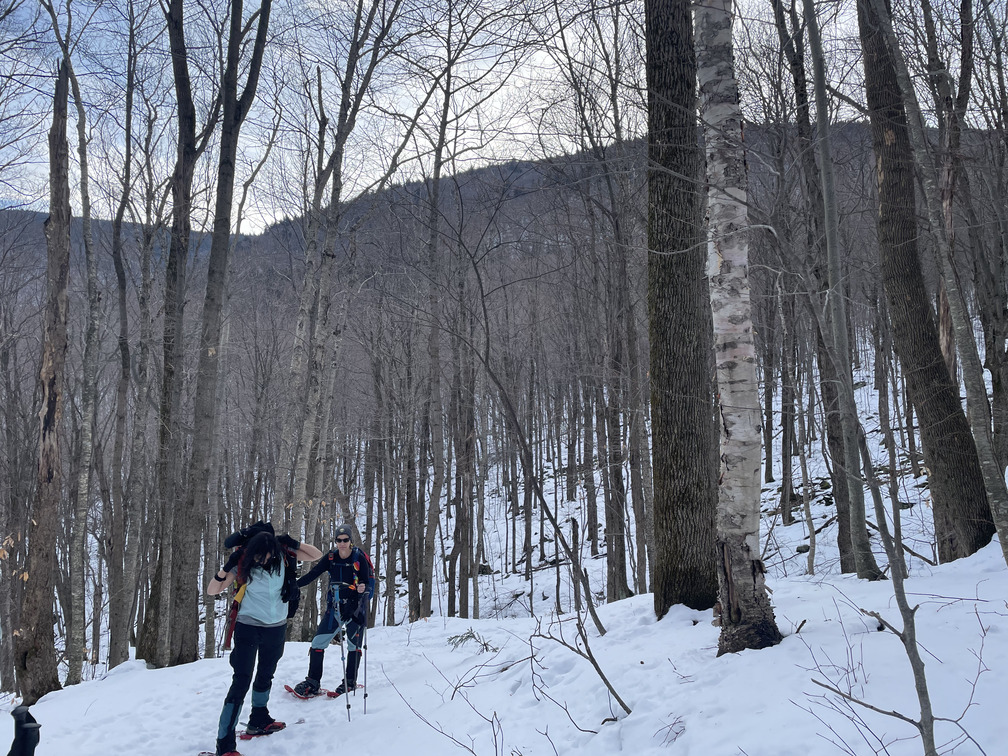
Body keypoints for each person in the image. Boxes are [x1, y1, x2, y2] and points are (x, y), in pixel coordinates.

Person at [208, 525, 321, 756]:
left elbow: (316, 554)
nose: (262, 560)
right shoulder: (244, 562)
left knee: (266, 674)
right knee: (241, 681)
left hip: (276, 628)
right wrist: (227, 566)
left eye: (266, 556)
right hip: (248, 627)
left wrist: (294, 543)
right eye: (257, 556)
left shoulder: (284, 554)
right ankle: (225, 744)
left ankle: (259, 719)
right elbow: (212, 590)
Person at [292, 523, 374, 698]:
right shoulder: (331, 558)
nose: (342, 543)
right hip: (335, 607)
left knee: (354, 646)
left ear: (350, 541)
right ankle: (313, 682)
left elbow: (366, 582)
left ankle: (349, 682)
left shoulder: (359, 558)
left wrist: (361, 591)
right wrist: (294, 585)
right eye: (339, 540)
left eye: (345, 540)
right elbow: (313, 574)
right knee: (318, 643)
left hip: (356, 608)